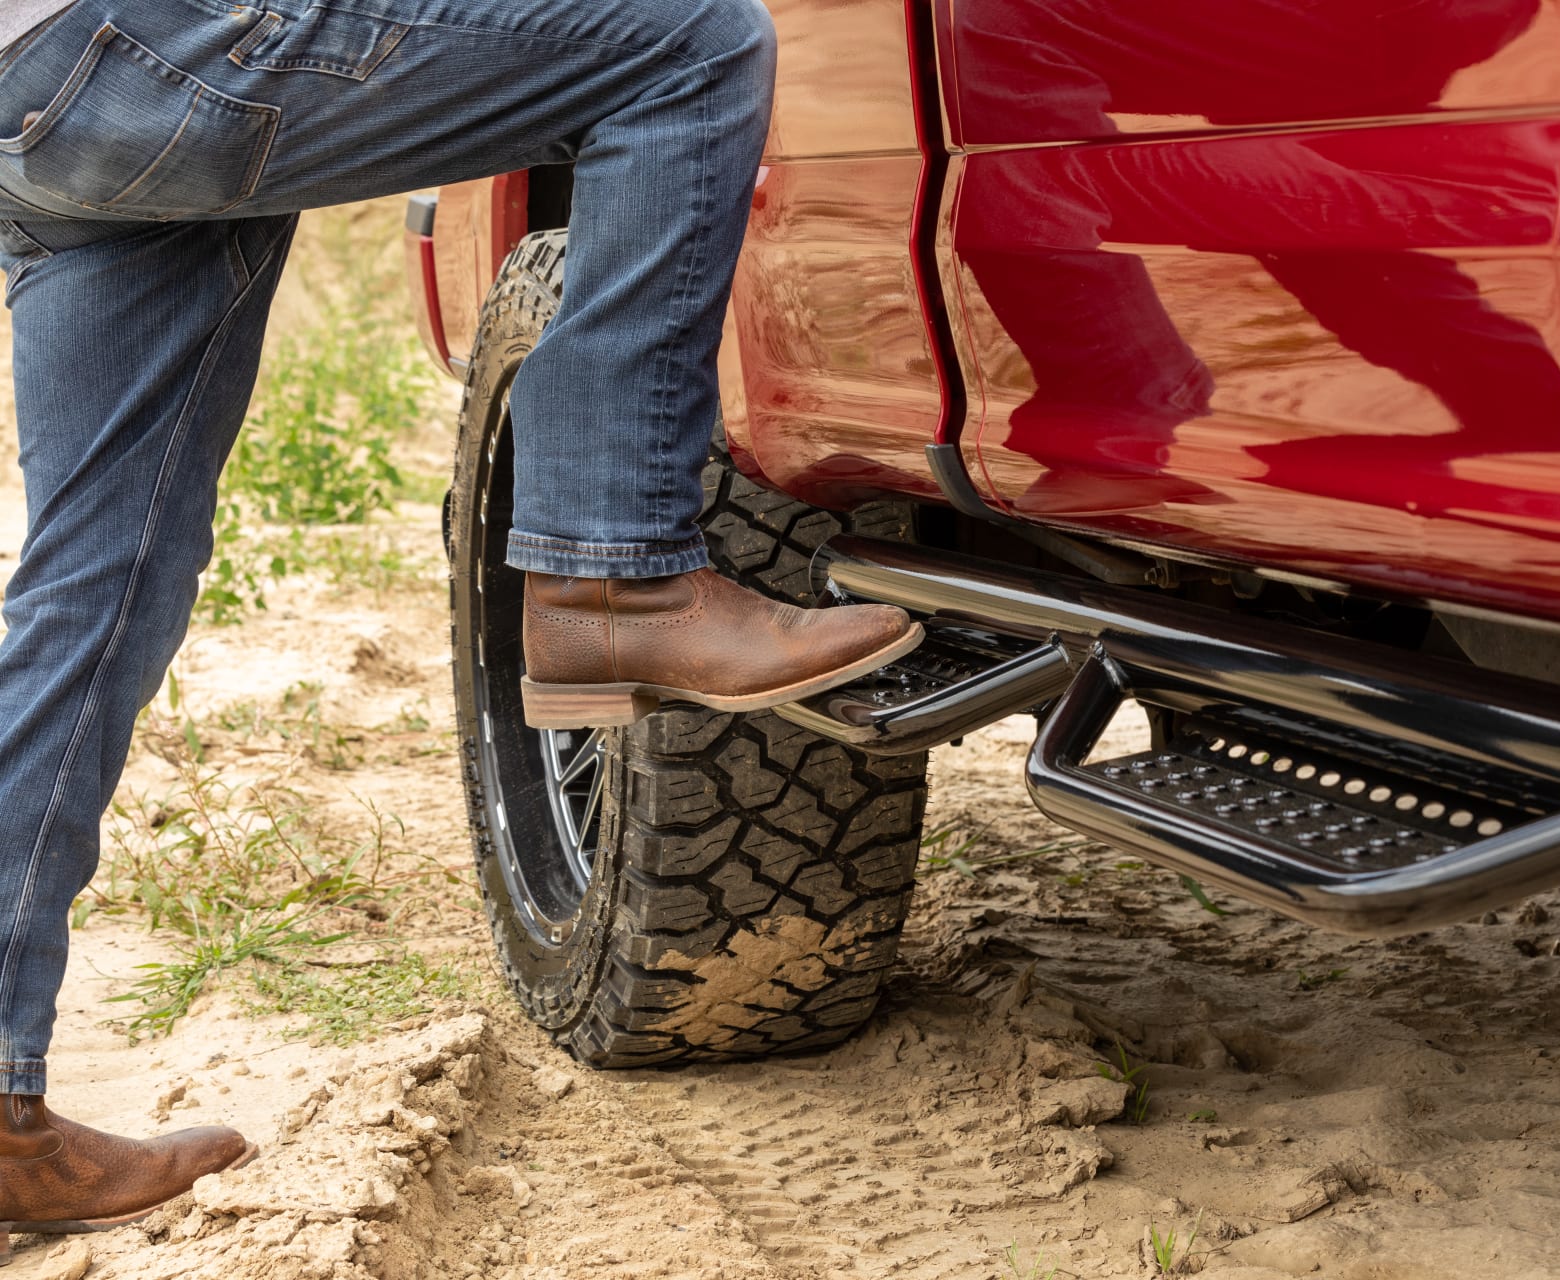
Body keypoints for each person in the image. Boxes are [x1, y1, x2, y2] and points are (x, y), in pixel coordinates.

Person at [0, 0, 918, 1249]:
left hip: (39, 90)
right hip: (139, 46)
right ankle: (614, 576)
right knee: (689, 47)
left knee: (96, 585)